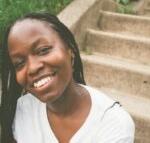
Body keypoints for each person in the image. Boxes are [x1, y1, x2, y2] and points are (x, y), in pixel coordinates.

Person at [0, 12, 135, 143]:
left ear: (70, 49)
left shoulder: (113, 124)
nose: (33, 68)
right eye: (19, 63)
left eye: (43, 50)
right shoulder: (23, 109)